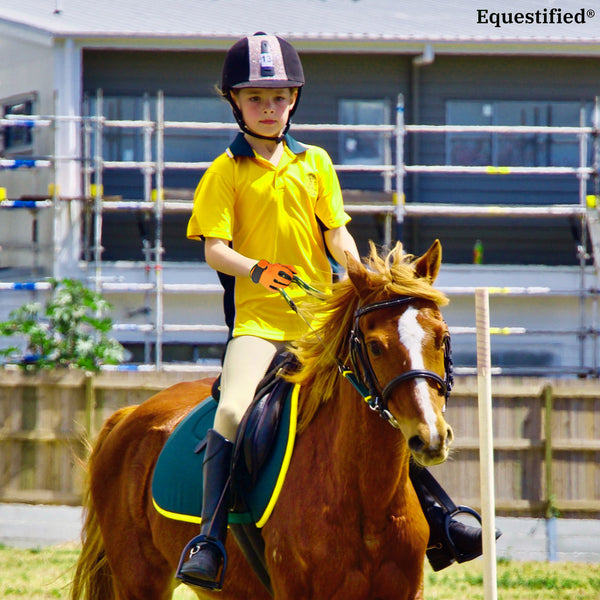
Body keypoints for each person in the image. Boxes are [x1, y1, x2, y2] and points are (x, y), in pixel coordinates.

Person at [177, 32, 492, 591]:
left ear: (293, 100)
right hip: (259, 328)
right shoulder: (225, 172)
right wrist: (257, 269)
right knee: (230, 413)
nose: (269, 109)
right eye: (255, 98)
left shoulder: (315, 163)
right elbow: (213, 249)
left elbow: (336, 233)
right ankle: (209, 540)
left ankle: (439, 518)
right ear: (234, 103)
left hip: (320, 327)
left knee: (382, 404)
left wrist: (361, 275)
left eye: (278, 98)